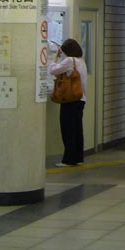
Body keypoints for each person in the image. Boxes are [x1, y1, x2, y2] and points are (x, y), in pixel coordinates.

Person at [50, 38, 87, 167]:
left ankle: (68, 159)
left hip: (70, 100)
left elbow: (53, 70)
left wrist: (55, 57)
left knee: (68, 130)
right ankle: (78, 157)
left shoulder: (69, 61)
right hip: (80, 99)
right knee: (77, 130)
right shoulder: (81, 62)